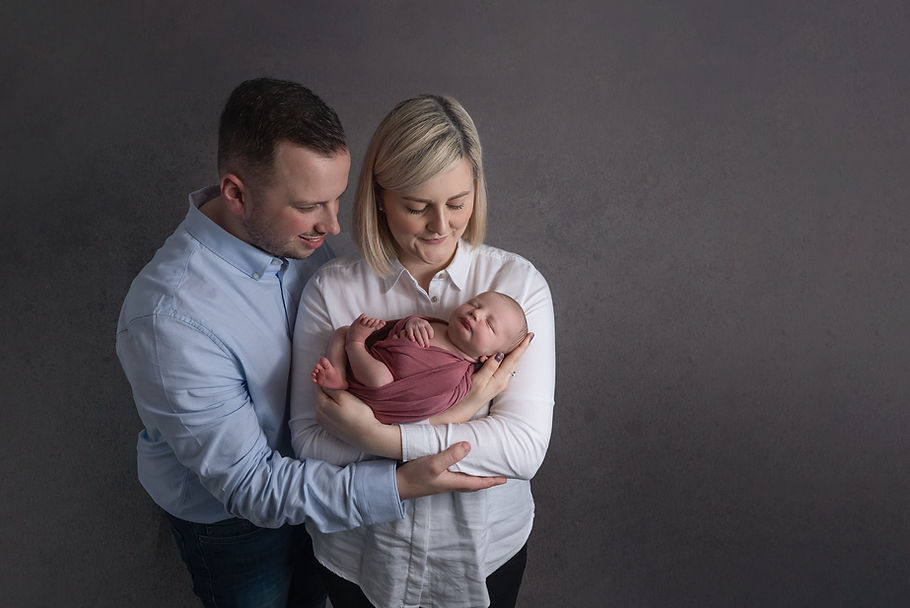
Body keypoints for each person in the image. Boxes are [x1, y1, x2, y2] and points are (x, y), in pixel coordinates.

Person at [116, 78, 512, 608]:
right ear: (236, 193)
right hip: (235, 526)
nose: (332, 225)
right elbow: (251, 487)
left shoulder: (301, 241)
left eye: (337, 200)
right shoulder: (170, 322)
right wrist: (399, 482)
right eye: (310, 206)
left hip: (331, 490)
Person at [289, 94, 555, 608]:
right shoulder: (333, 291)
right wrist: (471, 413)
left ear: (477, 188)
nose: (440, 225)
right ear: (380, 198)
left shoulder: (516, 286)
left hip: (483, 553)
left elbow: (522, 450)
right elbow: (310, 445)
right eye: (417, 206)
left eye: (458, 202)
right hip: (360, 551)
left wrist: (373, 436)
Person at [312, 291, 529, 425]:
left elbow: (433, 404)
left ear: (488, 357)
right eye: (475, 304)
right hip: (372, 359)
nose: (476, 314)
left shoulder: (458, 376)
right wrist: (411, 323)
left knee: (379, 377)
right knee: (342, 331)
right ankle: (339, 374)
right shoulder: (439, 324)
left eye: (489, 324)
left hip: (381, 390)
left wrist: (362, 345)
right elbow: (394, 329)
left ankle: (355, 345)